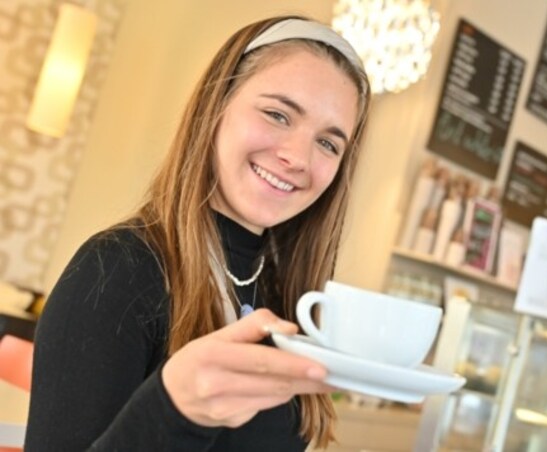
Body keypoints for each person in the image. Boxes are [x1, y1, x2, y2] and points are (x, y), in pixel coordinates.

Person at [25, 15, 371, 451]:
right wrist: (172, 407)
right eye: (278, 114)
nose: (298, 156)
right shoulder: (115, 269)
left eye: (328, 143)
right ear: (216, 105)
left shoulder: (288, 296)